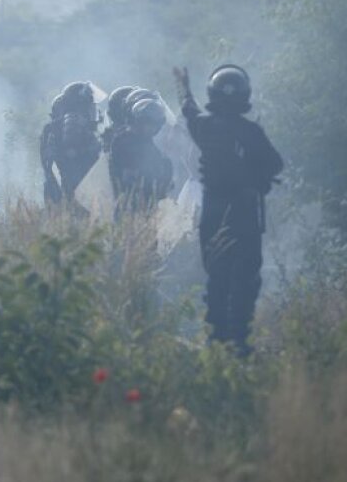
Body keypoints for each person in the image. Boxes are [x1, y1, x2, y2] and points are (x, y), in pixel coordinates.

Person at [174, 65, 284, 354]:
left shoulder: (205, 126)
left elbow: (189, 110)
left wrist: (184, 87)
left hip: (213, 210)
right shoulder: (251, 131)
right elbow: (275, 164)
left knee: (217, 275)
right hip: (244, 211)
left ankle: (216, 341)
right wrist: (256, 178)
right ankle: (240, 342)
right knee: (246, 276)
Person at [40, 82, 102, 212]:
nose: (92, 109)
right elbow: (73, 159)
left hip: (68, 190)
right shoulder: (71, 125)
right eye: (88, 105)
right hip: (73, 189)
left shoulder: (57, 127)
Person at [111, 97, 174, 216]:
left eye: (155, 125)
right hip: (131, 206)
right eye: (149, 124)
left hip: (146, 204)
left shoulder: (145, 142)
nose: (152, 129)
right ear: (139, 122)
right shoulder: (125, 141)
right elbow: (130, 179)